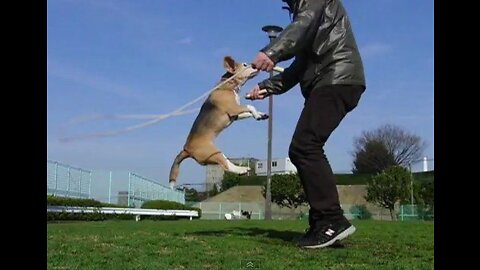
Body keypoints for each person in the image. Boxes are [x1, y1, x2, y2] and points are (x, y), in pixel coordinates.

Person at [247, 0, 366, 249]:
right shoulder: (307, 14)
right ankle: (323, 224)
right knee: (305, 147)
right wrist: (265, 87)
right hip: (331, 80)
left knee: (305, 147)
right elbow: (299, 67)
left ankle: (332, 220)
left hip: (336, 78)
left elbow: (301, 25)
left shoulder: (311, 4)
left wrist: (271, 51)